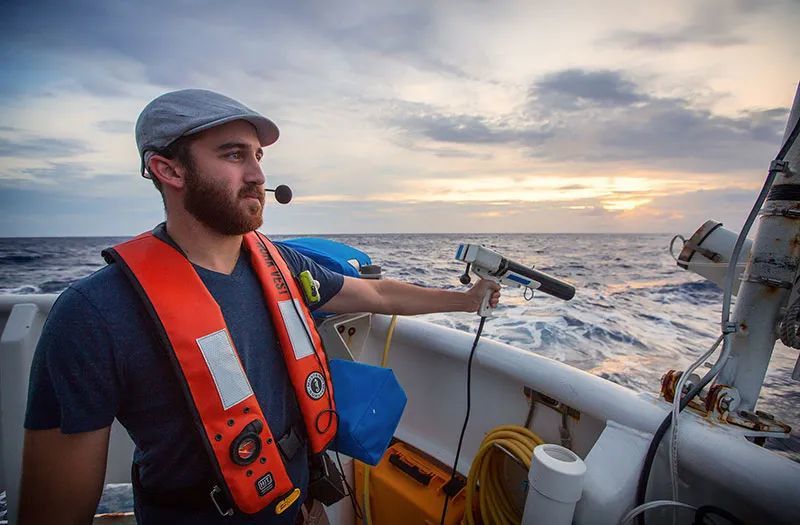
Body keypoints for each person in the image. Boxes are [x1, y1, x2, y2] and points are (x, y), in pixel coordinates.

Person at [19, 89, 500, 525]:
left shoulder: (282, 265)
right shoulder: (92, 316)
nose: (258, 175)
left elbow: (373, 294)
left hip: (301, 505)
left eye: (258, 156)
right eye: (233, 155)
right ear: (169, 170)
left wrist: (466, 299)